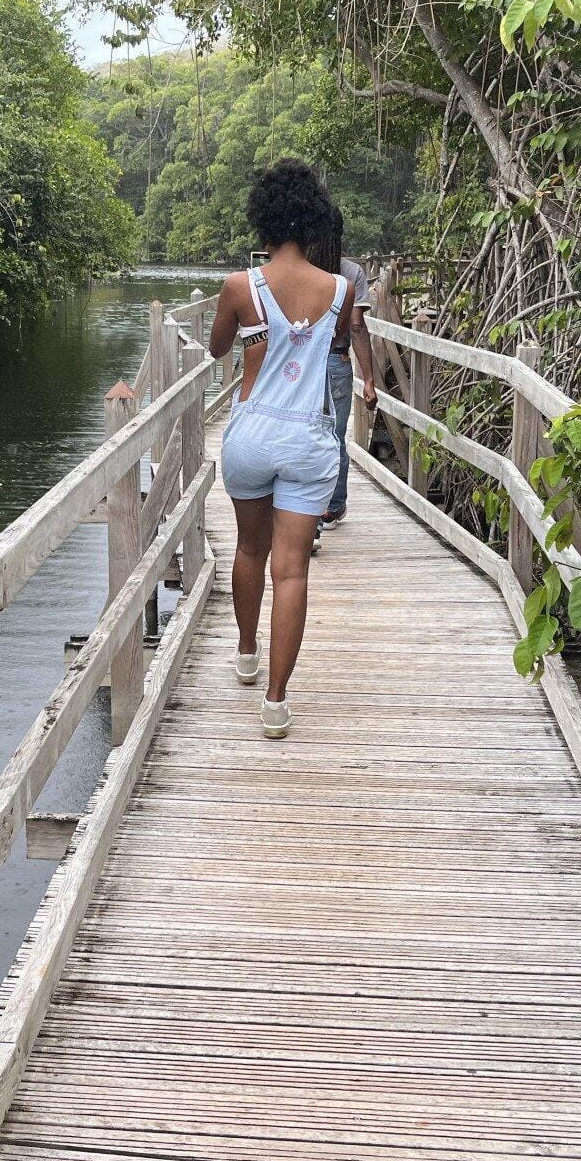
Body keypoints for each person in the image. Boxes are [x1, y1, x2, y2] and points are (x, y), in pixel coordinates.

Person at [209, 159, 353, 738]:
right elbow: (330, 343)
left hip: (252, 434)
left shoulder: (239, 287)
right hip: (309, 438)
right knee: (290, 572)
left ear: (262, 219)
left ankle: (246, 652)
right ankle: (275, 701)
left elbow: (218, 348)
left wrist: (254, 333)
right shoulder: (339, 290)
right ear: (313, 220)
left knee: (249, 549)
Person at [307, 207, 378, 539]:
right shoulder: (352, 273)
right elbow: (357, 327)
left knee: (308, 433)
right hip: (337, 361)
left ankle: (308, 506)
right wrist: (370, 380)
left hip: (304, 364)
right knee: (334, 436)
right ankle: (333, 505)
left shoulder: (304, 272)